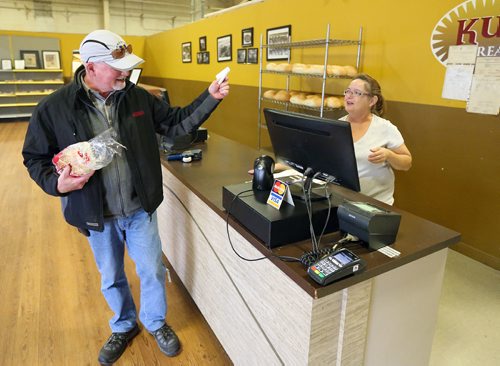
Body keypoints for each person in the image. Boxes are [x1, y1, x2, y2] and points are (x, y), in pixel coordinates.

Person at [22, 29, 229, 365]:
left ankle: (155, 321)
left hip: (139, 208)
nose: (126, 73)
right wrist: (58, 186)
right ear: (90, 68)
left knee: (151, 269)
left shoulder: (137, 97)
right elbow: (35, 158)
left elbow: (176, 124)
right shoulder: (53, 108)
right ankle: (123, 325)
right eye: (117, 67)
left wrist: (211, 96)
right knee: (111, 276)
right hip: (95, 214)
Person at [341, 73, 412, 205]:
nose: (349, 96)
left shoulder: (385, 128)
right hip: (342, 200)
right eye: (348, 91)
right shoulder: (338, 126)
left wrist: (389, 155)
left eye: (357, 92)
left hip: (375, 205)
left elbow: (407, 163)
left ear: (372, 101)